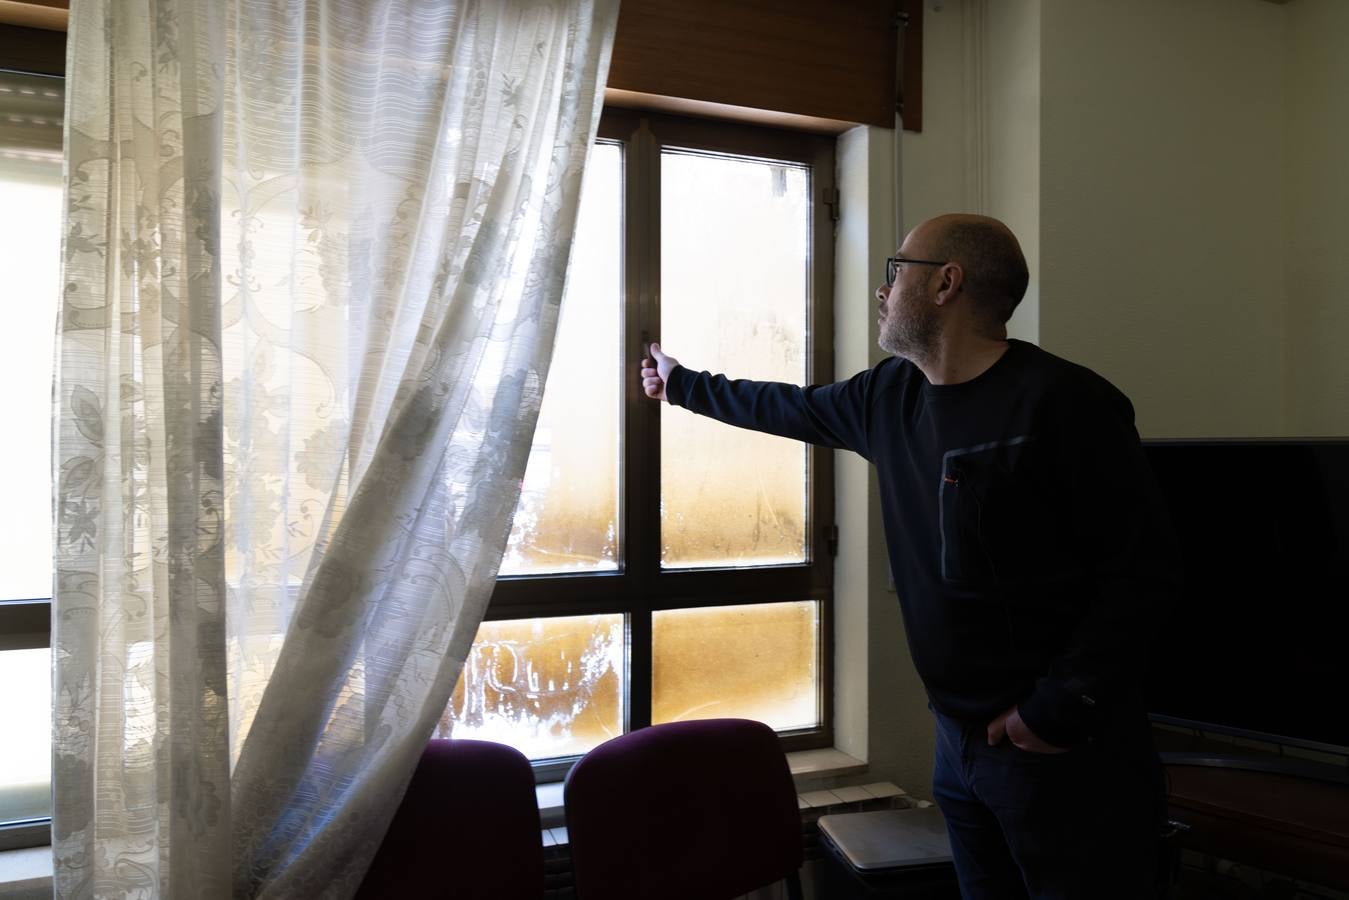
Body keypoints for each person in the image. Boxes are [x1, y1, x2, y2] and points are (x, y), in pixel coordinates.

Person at [640, 213, 1179, 899]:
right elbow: (786, 406)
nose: (881, 292)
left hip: (1060, 754)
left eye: (896, 272)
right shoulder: (888, 398)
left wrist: (1052, 712)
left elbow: (1142, 575)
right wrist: (681, 383)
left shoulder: (1064, 405)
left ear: (945, 284)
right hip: (957, 743)